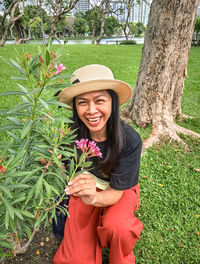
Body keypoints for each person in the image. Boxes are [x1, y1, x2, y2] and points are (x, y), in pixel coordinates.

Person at [53, 64, 143, 264]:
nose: (91, 111)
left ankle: (120, 254)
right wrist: (51, 162)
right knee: (74, 259)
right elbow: (61, 168)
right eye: (82, 102)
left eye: (100, 100)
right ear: (75, 106)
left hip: (118, 188)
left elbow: (116, 193)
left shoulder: (130, 139)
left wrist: (93, 198)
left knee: (118, 227)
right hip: (85, 185)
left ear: (113, 102)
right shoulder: (68, 131)